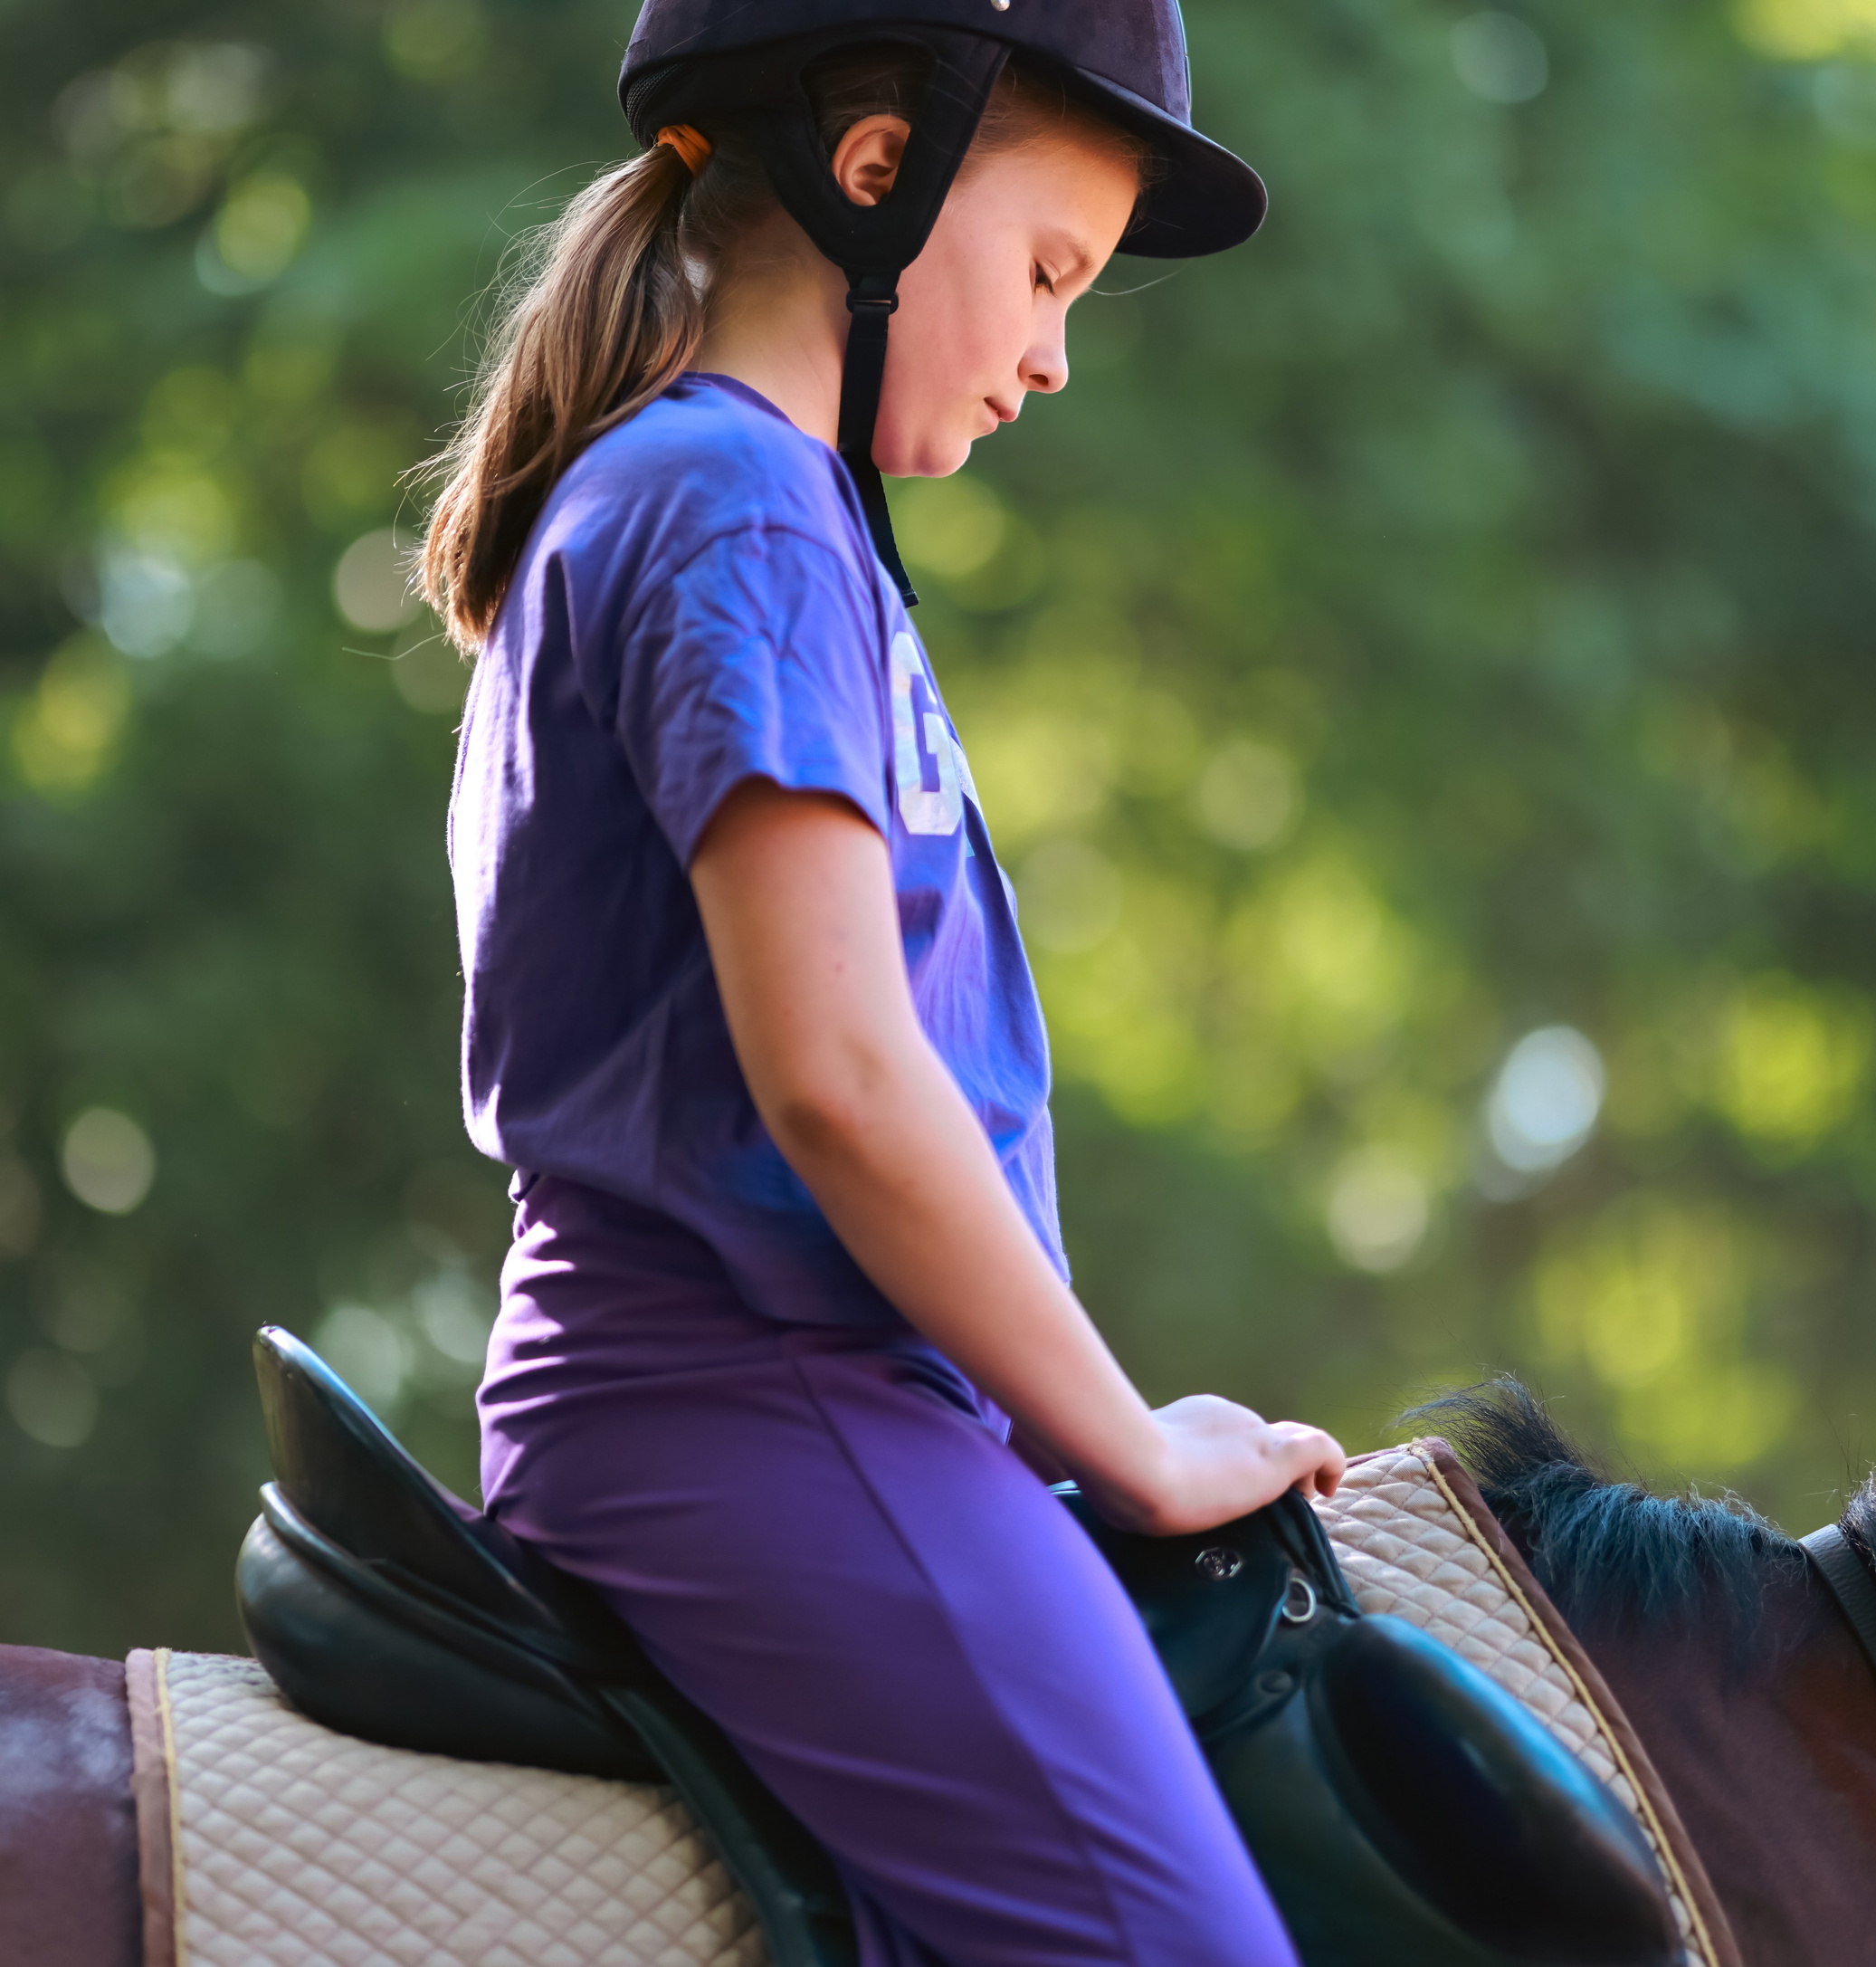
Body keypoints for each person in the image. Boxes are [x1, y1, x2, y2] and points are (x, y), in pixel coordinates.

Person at [417, 5, 1345, 1962]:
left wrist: (1044, 1428)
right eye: (1045, 272)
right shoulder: (732, 504)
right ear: (875, 172)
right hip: (751, 1396)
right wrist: (1136, 1446)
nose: (1052, 355)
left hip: (825, 1402)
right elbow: (839, 1075)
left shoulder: (754, 506)